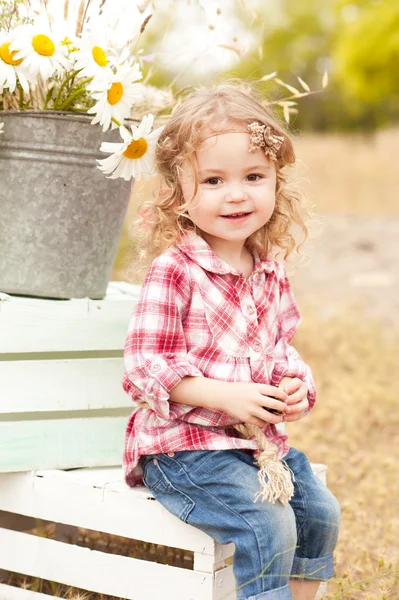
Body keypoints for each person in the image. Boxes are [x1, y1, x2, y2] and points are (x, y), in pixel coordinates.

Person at [122, 83, 340, 600]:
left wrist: (294, 386)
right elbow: (143, 366)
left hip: (254, 447)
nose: (237, 193)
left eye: (253, 177)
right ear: (180, 191)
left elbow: (282, 350)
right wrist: (222, 394)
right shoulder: (174, 270)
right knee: (269, 524)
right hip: (184, 453)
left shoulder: (268, 270)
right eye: (214, 179)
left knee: (319, 512)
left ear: (276, 185)